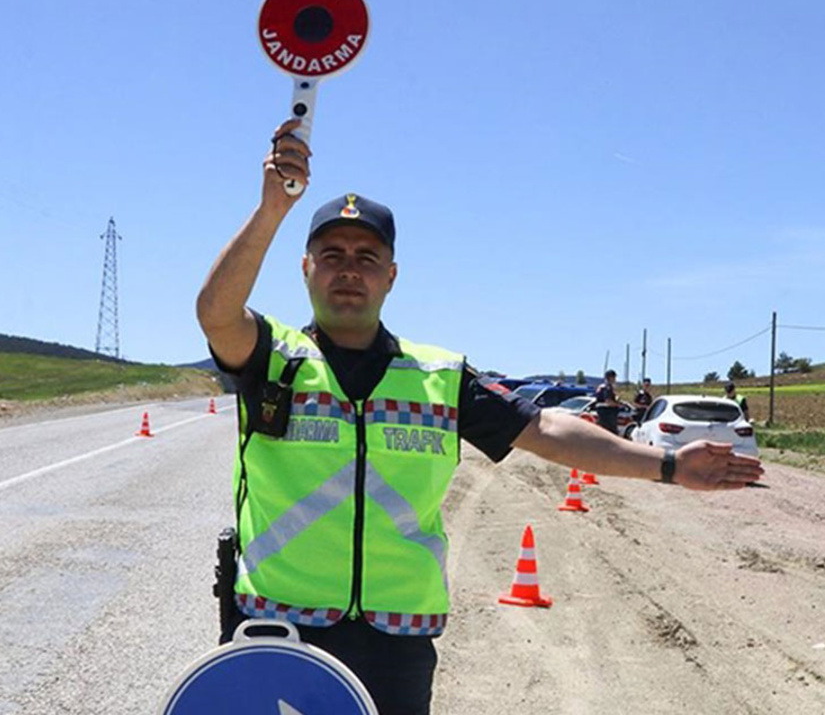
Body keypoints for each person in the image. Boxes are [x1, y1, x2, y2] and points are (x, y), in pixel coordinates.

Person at [195, 119, 764, 715]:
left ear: (390, 277)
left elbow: (546, 428)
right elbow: (216, 312)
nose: (349, 268)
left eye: (367, 257)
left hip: (396, 640)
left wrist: (670, 465)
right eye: (331, 255)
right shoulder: (274, 359)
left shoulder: (438, 377)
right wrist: (271, 211)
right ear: (306, 269)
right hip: (278, 633)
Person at [593, 369, 622, 435]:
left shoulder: (601, 386)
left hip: (601, 413)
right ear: (610, 377)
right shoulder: (608, 387)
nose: (615, 379)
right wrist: (618, 404)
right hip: (608, 414)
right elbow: (608, 401)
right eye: (614, 377)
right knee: (611, 433)